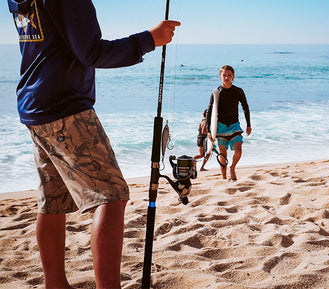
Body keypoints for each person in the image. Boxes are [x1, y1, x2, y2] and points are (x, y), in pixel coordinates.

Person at [7, 0, 180, 288]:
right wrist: (150, 39)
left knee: (53, 202)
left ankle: (55, 284)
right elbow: (92, 52)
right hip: (65, 108)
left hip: (34, 105)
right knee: (112, 196)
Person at [206, 65, 252, 181]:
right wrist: (208, 130)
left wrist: (248, 124)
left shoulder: (238, 91)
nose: (226, 77)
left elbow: (245, 107)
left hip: (234, 126)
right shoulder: (216, 92)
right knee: (223, 154)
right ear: (220, 76)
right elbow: (209, 111)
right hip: (221, 127)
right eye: (224, 75)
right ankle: (224, 178)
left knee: (238, 151)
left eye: (229, 75)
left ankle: (232, 167)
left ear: (233, 77)